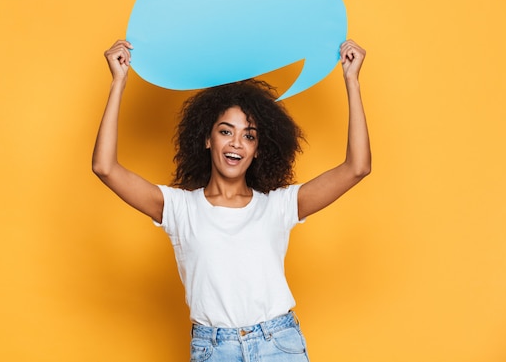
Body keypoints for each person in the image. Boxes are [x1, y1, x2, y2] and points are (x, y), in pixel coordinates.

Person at [93, 38, 371, 362]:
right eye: (226, 131)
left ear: (257, 149)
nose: (236, 143)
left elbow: (357, 167)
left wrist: (352, 80)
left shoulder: (278, 206)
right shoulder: (179, 208)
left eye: (249, 136)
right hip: (214, 349)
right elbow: (105, 167)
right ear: (207, 139)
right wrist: (118, 82)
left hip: (279, 345)